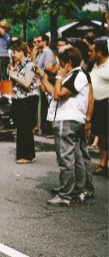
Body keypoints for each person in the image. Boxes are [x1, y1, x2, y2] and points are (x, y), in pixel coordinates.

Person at [36, 46, 90, 206]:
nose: (59, 66)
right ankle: (77, 190)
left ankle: (66, 194)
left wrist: (59, 77)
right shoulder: (73, 75)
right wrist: (43, 77)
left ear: (69, 63)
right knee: (76, 157)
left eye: (61, 63)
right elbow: (55, 92)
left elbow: (59, 94)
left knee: (66, 158)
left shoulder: (77, 75)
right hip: (71, 119)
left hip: (67, 120)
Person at [8, 42, 39, 164]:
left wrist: (14, 76)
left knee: (24, 127)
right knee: (23, 126)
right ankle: (30, 154)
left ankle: (26, 156)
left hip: (28, 99)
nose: (13, 55)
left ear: (21, 52)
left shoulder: (29, 64)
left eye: (14, 52)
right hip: (20, 99)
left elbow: (27, 83)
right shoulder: (20, 65)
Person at [88, 42, 109, 176]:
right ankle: (102, 165)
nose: (89, 53)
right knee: (101, 136)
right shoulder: (95, 65)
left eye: (91, 51)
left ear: (100, 52)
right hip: (97, 106)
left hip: (106, 104)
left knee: (107, 136)